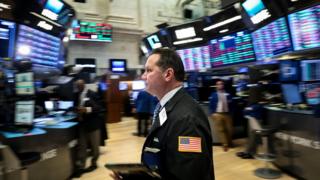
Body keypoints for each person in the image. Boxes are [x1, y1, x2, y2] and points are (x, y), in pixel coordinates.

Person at [112, 48, 214, 180]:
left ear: (168, 74)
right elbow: (165, 167)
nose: (143, 76)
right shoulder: (165, 107)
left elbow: (187, 175)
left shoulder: (187, 120)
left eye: (149, 70)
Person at [73, 79, 102, 177]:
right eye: (77, 86)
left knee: (95, 147)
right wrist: (76, 110)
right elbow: (74, 106)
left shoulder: (92, 94)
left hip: (93, 124)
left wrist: (86, 109)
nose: (78, 88)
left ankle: (94, 163)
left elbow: (98, 108)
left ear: (84, 85)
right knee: (82, 146)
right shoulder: (76, 95)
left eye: (79, 86)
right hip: (82, 125)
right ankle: (81, 166)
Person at [209, 80, 233, 152]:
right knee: (221, 130)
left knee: (230, 129)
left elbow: (232, 104)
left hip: (227, 114)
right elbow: (211, 105)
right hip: (217, 114)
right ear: (216, 86)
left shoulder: (228, 94)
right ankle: (225, 144)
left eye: (221, 84)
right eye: (218, 84)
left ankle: (229, 142)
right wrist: (212, 113)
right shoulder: (213, 95)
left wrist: (232, 112)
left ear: (223, 85)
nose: (220, 85)